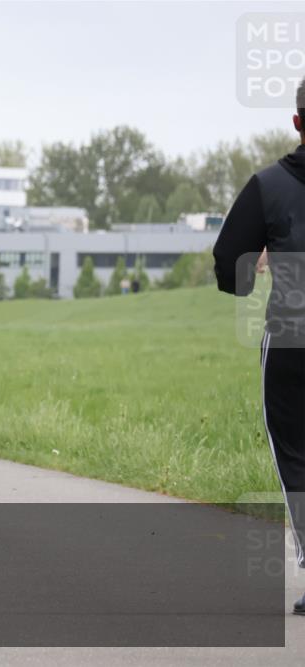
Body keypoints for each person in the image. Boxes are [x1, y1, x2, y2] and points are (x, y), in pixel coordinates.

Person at [212, 76, 305, 617]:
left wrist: (257, 265)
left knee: (295, 454)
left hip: (292, 337)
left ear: (297, 122)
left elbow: (230, 266)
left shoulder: (268, 186)